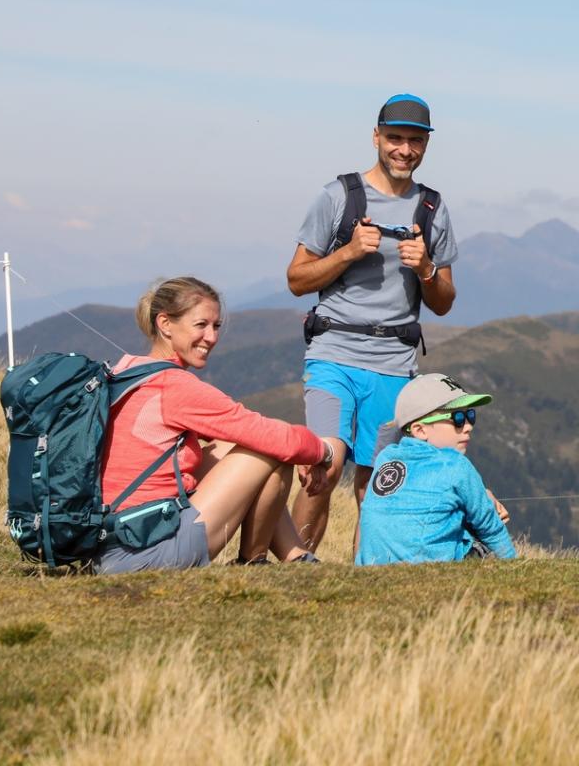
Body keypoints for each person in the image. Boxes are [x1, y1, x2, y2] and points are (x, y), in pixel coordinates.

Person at [287, 93, 458, 552]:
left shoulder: (432, 208)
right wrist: (347, 252)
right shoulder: (339, 196)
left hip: (394, 363)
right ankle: (293, 569)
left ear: (425, 146)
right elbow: (297, 279)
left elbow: (443, 302)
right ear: (376, 137)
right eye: (395, 138)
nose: (404, 149)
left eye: (415, 141)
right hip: (333, 353)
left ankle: (366, 579)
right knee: (324, 463)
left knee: (378, 480)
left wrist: (425, 268)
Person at [93, 276, 334, 574]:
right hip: (150, 550)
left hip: (109, 544)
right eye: (201, 325)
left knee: (241, 444)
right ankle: (253, 561)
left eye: (216, 326)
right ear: (165, 324)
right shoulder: (175, 386)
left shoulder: (125, 371)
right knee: (271, 449)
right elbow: (275, 438)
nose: (211, 337)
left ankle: (295, 555)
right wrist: (322, 454)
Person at [356, 373, 516, 564]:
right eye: (457, 418)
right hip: (428, 571)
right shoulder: (455, 464)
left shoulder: (386, 458)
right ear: (420, 430)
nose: (468, 426)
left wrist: (482, 494)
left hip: (372, 569)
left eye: (470, 415)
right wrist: (513, 565)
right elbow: (490, 528)